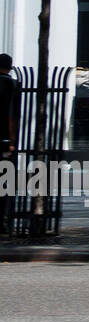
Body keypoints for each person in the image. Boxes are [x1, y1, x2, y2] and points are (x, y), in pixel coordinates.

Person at [0, 54, 19, 233]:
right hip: (5, 140)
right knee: (5, 182)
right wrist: (12, 140)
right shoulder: (12, 85)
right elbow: (12, 116)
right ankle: (3, 221)